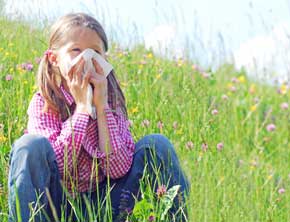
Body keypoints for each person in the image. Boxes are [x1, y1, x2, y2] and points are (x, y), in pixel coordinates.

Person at [8, 12, 190, 222]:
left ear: (104, 60)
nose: (86, 58)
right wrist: (83, 109)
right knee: (30, 145)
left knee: (157, 145)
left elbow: (119, 168)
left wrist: (101, 107)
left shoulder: (111, 103)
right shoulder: (44, 102)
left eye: (95, 52)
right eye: (76, 50)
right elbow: (58, 164)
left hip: (106, 205)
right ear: (54, 59)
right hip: (56, 206)